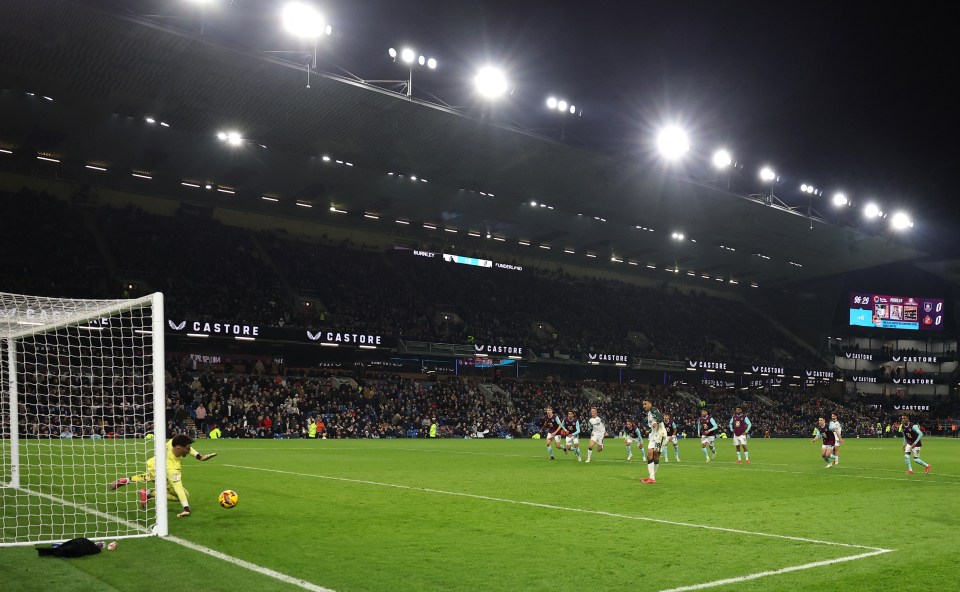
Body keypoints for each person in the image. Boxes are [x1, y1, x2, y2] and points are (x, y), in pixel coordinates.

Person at [109, 434, 217, 517]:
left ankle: (127, 480)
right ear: (179, 449)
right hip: (165, 470)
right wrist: (186, 508)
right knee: (182, 495)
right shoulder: (173, 468)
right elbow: (178, 487)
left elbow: (184, 445)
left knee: (149, 476)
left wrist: (199, 456)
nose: (189, 450)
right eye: (187, 448)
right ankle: (149, 493)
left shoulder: (172, 442)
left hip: (154, 464)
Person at [640, 399, 667, 484]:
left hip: (660, 435)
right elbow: (651, 424)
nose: (644, 405)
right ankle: (651, 477)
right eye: (643, 404)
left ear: (650, 404)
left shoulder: (653, 409)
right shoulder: (649, 414)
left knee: (655, 455)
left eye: (645, 404)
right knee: (649, 454)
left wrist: (657, 422)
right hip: (653, 435)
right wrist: (649, 429)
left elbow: (660, 418)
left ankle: (652, 477)